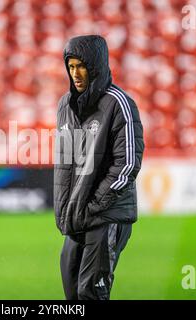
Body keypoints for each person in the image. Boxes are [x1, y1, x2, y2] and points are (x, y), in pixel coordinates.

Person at [53, 35, 145, 300]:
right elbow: (66, 164)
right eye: (70, 67)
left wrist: (93, 204)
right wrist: (67, 211)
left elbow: (127, 165)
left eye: (81, 66)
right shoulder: (64, 106)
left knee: (90, 292)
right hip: (78, 217)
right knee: (72, 293)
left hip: (107, 214)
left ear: (95, 66)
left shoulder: (120, 104)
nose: (75, 73)